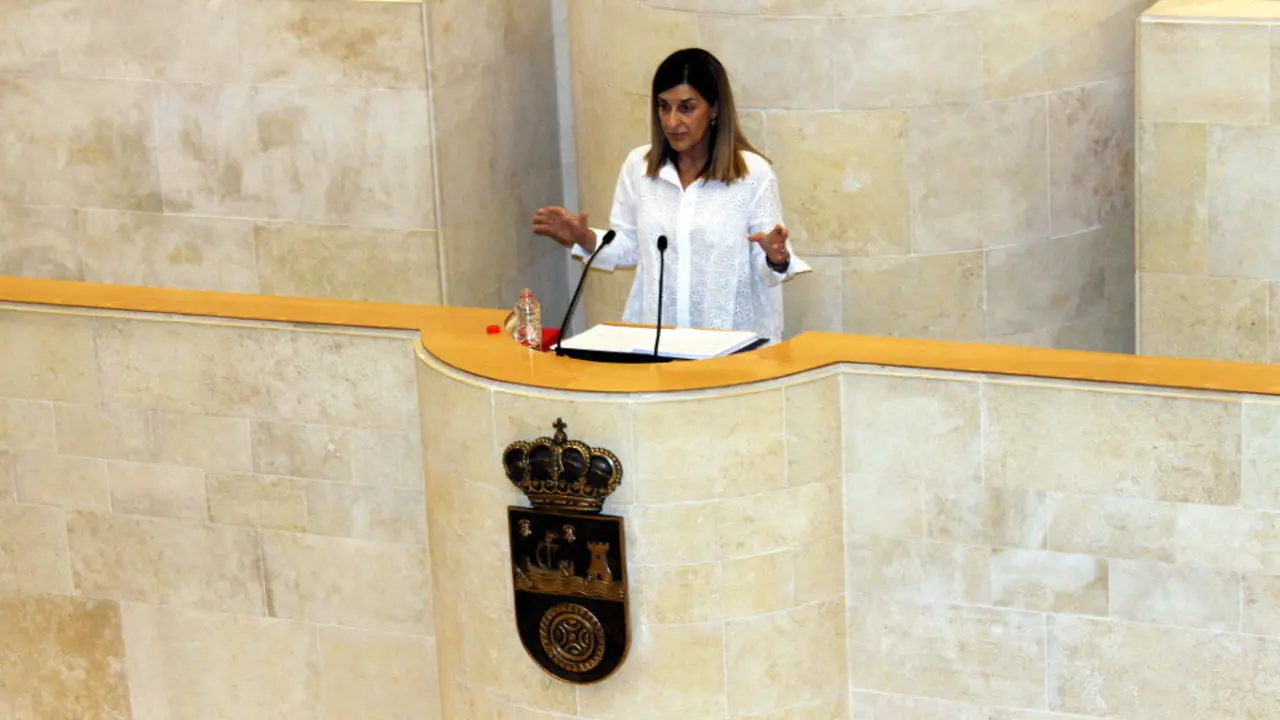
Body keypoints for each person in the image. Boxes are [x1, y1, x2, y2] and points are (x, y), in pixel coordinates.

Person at [532, 47, 809, 345]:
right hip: (657, 341)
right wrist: (584, 238)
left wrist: (776, 257)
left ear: (715, 109)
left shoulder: (752, 174)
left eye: (686, 108)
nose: (672, 122)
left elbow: (770, 268)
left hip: (733, 344)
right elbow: (629, 246)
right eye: (664, 107)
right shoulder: (639, 166)